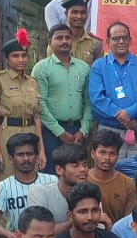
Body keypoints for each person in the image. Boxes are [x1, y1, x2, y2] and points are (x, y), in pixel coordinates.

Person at [88, 21, 137, 159]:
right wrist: (123, 117)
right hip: (108, 130)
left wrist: (129, 113)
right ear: (108, 41)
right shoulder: (99, 66)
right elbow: (97, 99)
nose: (121, 41)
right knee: (108, 169)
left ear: (130, 40)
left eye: (124, 38)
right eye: (115, 38)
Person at [0, 30, 44, 179]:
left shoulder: (32, 82)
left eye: (24, 55)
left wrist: (41, 149)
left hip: (31, 133)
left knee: (31, 177)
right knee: (8, 176)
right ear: (7, 59)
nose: (21, 60)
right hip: (8, 132)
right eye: (15, 56)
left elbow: (36, 117)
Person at [33, 23, 93, 166]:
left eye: (67, 37)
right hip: (51, 131)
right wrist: (59, 131)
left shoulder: (84, 68)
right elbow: (40, 103)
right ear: (50, 42)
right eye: (59, 38)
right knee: (53, 173)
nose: (64, 41)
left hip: (77, 131)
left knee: (76, 173)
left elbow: (89, 101)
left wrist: (83, 130)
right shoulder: (41, 68)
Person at [0, 133, 57, 232]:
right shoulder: (4, 186)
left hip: (50, 236)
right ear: (10, 159)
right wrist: (8, 235)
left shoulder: (52, 181)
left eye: (30, 154)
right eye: (20, 155)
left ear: (36, 156)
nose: (26, 158)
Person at [86, 129, 137, 226]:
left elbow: (129, 221)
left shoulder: (128, 184)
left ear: (118, 156)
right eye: (102, 153)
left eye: (112, 153)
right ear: (93, 153)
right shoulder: (82, 179)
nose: (107, 158)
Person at [62, 0, 103, 65]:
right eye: (75, 12)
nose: (79, 16)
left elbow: (99, 69)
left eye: (83, 12)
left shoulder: (96, 43)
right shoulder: (58, 41)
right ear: (66, 14)